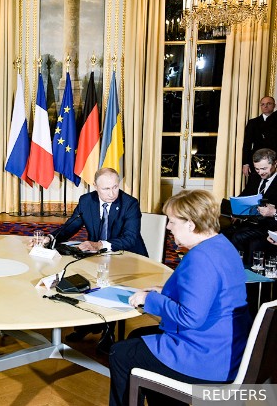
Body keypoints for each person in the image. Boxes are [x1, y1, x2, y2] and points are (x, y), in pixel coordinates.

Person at [108, 189, 250, 406]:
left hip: (205, 357)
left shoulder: (201, 258)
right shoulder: (222, 245)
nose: (168, 227)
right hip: (226, 347)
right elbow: (209, 293)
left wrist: (149, 299)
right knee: (137, 335)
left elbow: (190, 317)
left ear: (191, 224)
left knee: (120, 353)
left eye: (172, 222)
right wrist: (166, 292)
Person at [42, 167, 148, 346]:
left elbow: (130, 238)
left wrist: (99, 245)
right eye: (106, 189)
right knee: (80, 278)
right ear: (95, 186)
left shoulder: (130, 203)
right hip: (97, 257)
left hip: (127, 257)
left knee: (108, 284)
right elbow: (70, 227)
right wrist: (50, 238)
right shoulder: (86, 201)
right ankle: (89, 323)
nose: (112, 193)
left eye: (115, 187)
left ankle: (109, 332)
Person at [227, 148, 277, 263]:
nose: (260, 172)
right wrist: (236, 210)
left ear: (275, 164)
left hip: (270, 226)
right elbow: (244, 196)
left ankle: (243, 270)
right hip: (252, 222)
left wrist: (273, 212)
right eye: (257, 169)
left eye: (264, 168)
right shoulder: (254, 177)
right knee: (224, 233)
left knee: (240, 237)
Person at [242, 96, 277, 177]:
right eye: (263, 104)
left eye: (268, 104)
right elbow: (247, 144)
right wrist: (246, 163)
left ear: (274, 105)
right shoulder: (253, 123)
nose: (265, 106)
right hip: (257, 161)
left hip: (274, 160)